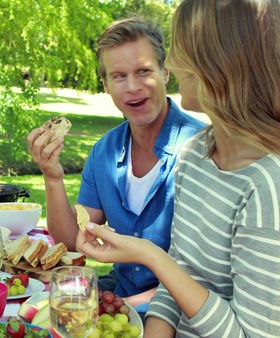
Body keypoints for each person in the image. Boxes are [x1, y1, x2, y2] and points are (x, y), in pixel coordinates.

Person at [77, 0, 280, 336]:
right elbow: (179, 281)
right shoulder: (197, 153)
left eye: (180, 46)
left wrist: (150, 255)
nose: (169, 62)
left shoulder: (268, 186)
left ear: (218, 62)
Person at [27, 18, 206, 313]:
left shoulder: (202, 149)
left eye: (144, 71)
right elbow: (71, 241)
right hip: (120, 300)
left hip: (182, 315)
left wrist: (116, 307)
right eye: (119, 76)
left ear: (165, 72)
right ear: (106, 84)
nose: (133, 87)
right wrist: (53, 177)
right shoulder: (104, 153)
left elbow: (206, 276)